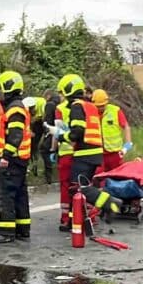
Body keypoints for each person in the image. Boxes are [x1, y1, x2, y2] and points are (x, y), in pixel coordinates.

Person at [0, 71, 32, 244]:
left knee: (6, 195)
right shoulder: (16, 106)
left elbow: (15, 135)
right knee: (20, 195)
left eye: (1, 88)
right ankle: (22, 229)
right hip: (19, 159)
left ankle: (6, 232)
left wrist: (6, 155)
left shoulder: (14, 108)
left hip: (12, 159)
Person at [60, 75, 103, 224]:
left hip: (84, 154)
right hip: (95, 153)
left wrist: (61, 136)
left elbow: (77, 132)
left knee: (75, 189)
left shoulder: (77, 106)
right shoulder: (90, 105)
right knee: (84, 187)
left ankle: (106, 204)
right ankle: (83, 219)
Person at [52, 75, 78, 230]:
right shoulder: (86, 107)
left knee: (66, 186)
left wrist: (52, 149)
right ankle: (83, 216)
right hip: (83, 153)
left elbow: (58, 132)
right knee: (80, 185)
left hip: (66, 153)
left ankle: (66, 218)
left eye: (61, 93)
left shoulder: (60, 109)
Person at [92, 89, 133, 172]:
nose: (100, 108)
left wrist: (128, 143)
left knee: (117, 175)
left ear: (107, 102)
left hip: (115, 153)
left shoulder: (115, 111)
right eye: (98, 106)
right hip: (98, 153)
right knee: (99, 176)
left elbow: (126, 127)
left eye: (102, 105)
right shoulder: (91, 113)